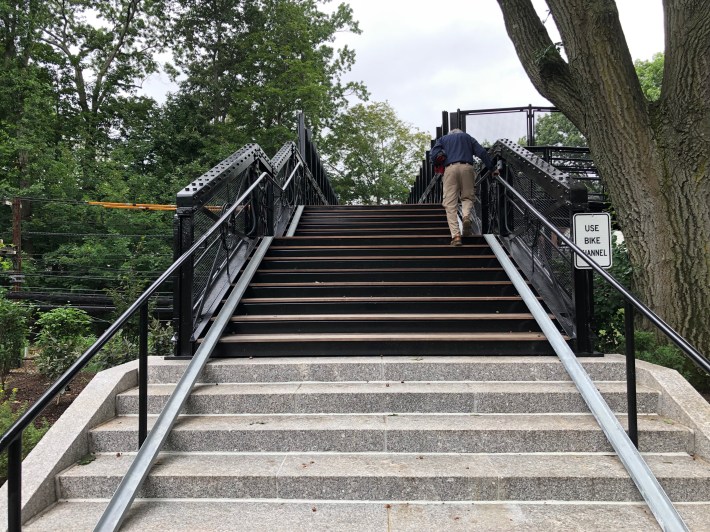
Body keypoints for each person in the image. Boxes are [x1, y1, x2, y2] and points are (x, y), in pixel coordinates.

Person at [430, 128, 498, 246]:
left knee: (450, 203)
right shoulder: (467, 137)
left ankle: (456, 236)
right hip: (467, 167)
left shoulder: (443, 139)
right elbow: (482, 152)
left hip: (450, 169)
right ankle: (466, 216)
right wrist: (492, 168)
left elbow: (433, 155)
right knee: (467, 197)